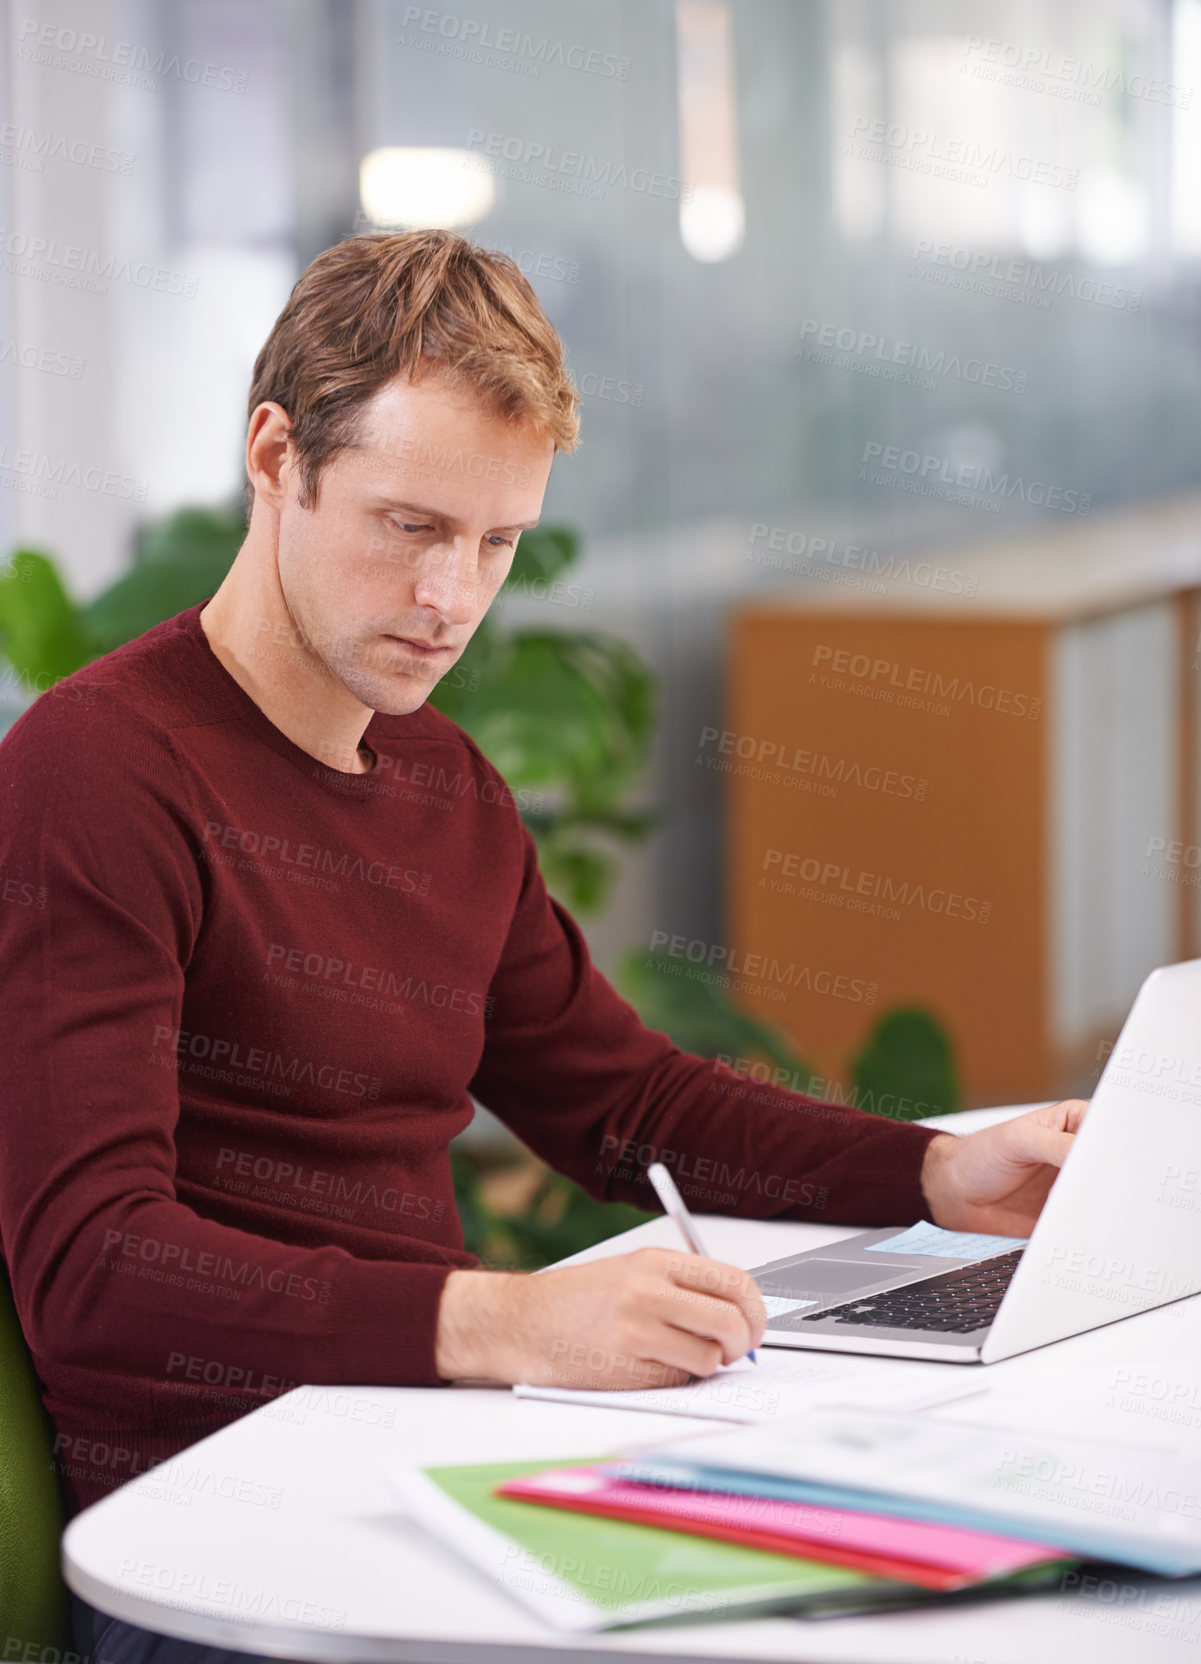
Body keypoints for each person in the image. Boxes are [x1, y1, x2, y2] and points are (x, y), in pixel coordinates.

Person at [0, 228, 1085, 1662]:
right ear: (277, 457)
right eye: (409, 525)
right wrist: (506, 1325)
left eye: (496, 541)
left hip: (434, 1460)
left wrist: (940, 1171)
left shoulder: (440, 778)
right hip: (220, 1540)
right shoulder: (97, 774)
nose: (453, 597)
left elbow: (616, 1103)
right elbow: (95, 1272)